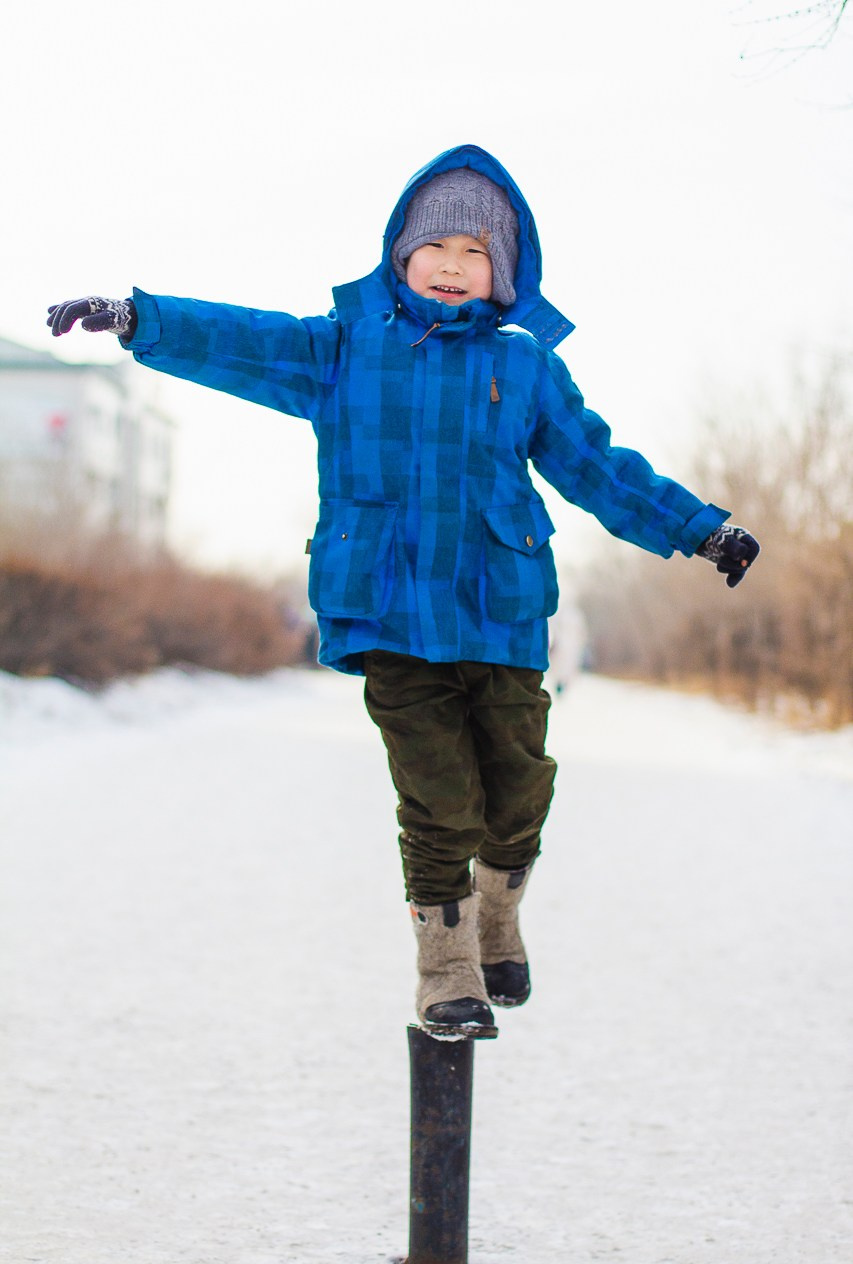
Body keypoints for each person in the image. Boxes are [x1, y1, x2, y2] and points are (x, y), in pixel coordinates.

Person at [47, 143, 759, 1040]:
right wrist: (136, 317)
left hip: (500, 611)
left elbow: (597, 467)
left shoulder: (524, 366)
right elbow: (242, 340)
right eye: (436, 247)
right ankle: (446, 971)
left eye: (475, 253)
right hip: (388, 610)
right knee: (438, 802)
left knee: (518, 794)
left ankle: (497, 921)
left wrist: (699, 528)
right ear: (400, 254)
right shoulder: (344, 349)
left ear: (503, 272)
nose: (453, 266)